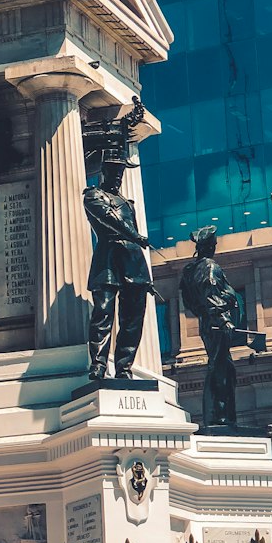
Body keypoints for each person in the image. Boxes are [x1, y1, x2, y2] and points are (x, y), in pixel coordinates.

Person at [83, 154, 153, 380]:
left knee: (133, 318)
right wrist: (136, 236)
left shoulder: (128, 204)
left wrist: (146, 276)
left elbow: (130, 231)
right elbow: (108, 218)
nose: (117, 177)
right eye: (113, 172)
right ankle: (98, 365)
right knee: (103, 314)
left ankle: (124, 367)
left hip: (133, 262)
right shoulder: (93, 196)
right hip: (108, 259)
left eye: (120, 173)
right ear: (103, 171)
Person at [179, 226, 243, 427]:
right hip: (217, 323)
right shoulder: (209, 267)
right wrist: (224, 320)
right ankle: (221, 417)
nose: (215, 248)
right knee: (222, 369)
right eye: (214, 244)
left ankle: (219, 415)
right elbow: (211, 296)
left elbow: (189, 301)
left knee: (220, 367)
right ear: (209, 246)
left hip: (207, 322)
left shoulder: (191, 270)